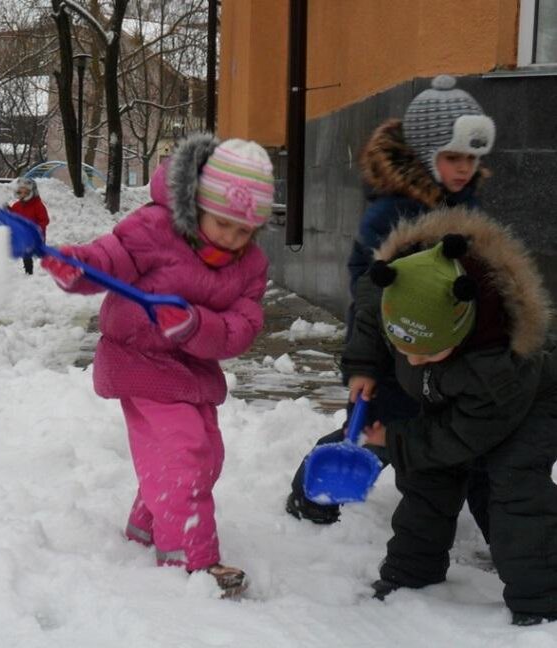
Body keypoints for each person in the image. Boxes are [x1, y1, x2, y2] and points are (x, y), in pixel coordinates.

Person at [40, 134, 273, 597]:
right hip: (140, 361)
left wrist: (192, 325)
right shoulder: (155, 228)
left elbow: (241, 327)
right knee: (182, 453)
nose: (231, 238)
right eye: (222, 222)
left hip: (194, 370)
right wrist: (77, 267)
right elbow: (111, 259)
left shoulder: (251, 266)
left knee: (206, 457)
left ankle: (145, 524)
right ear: (197, 204)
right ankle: (191, 557)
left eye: (243, 230)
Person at [285, 75, 497, 530]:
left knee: (437, 426)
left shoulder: (465, 206)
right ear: (425, 153)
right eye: (452, 157)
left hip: (439, 342)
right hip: (388, 343)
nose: (464, 167)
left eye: (472, 158)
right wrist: (363, 365)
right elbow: (368, 296)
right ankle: (310, 492)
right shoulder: (394, 216)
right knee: (376, 425)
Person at [343, 208, 557, 627]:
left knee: (514, 489)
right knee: (425, 478)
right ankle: (413, 572)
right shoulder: (403, 288)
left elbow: (460, 436)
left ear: (461, 329)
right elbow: (372, 313)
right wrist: (364, 365)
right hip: (453, 395)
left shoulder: (497, 365)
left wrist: (398, 441)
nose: (414, 359)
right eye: (404, 349)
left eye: (428, 353)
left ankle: (541, 599)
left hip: (529, 404)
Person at [7, 177, 49, 274]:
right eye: (20, 192)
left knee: (36, 252)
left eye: (26, 193)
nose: (23, 195)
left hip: (35, 235)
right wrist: (7, 209)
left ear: (32, 192)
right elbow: (13, 215)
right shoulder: (17, 205)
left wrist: (37, 228)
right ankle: (28, 271)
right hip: (24, 234)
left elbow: (44, 220)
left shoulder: (38, 205)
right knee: (26, 253)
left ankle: (46, 266)